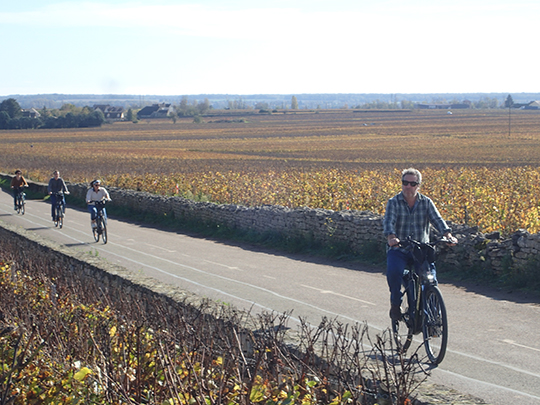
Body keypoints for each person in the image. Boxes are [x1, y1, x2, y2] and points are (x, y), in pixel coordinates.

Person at [383, 168, 457, 321]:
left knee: (430, 279)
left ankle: (433, 317)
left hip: (420, 250)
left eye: (412, 183)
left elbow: (437, 220)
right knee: (394, 272)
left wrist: (448, 235)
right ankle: (396, 305)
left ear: (418, 186)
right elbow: (389, 222)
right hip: (399, 249)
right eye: (405, 183)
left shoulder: (426, 202)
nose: (408, 187)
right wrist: (391, 237)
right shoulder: (393, 202)